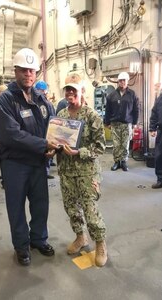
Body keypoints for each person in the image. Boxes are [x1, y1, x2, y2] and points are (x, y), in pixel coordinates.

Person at [0, 48, 59, 266]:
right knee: (17, 207)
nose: (28, 74)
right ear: (16, 71)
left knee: (41, 205)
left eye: (32, 71)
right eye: (24, 70)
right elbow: (11, 135)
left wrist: (55, 145)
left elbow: (53, 125)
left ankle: (39, 239)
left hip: (38, 163)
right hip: (15, 164)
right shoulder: (5, 101)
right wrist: (43, 144)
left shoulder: (41, 99)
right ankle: (22, 246)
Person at [56, 81, 107, 267]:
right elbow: (58, 140)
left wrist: (80, 152)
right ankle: (80, 237)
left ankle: (100, 243)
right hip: (66, 171)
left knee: (90, 209)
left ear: (81, 92)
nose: (70, 93)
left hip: (86, 172)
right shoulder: (61, 115)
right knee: (71, 208)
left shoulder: (92, 116)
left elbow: (101, 147)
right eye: (67, 90)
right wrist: (53, 148)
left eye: (73, 90)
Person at [104, 72, 139, 171]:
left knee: (125, 144)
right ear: (118, 82)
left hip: (127, 123)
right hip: (115, 124)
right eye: (120, 80)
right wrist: (107, 123)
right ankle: (116, 162)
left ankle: (123, 162)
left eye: (124, 80)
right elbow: (108, 110)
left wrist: (135, 123)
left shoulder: (132, 94)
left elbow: (136, 109)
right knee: (116, 145)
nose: (122, 82)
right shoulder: (111, 95)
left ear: (127, 81)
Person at [35, 80, 56, 179]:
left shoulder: (31, 102)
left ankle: (42, 171)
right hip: (45, 134)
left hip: (36, 136)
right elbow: (53, 120)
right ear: (45, 91)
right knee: (46, 153)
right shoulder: (48, 104)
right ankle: (45, 171)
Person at [149, 93, 162, 188]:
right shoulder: (160, 98)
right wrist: (152, 128)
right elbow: (154, 113)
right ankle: (160, 179)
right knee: (159, 156)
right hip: (161, 130)